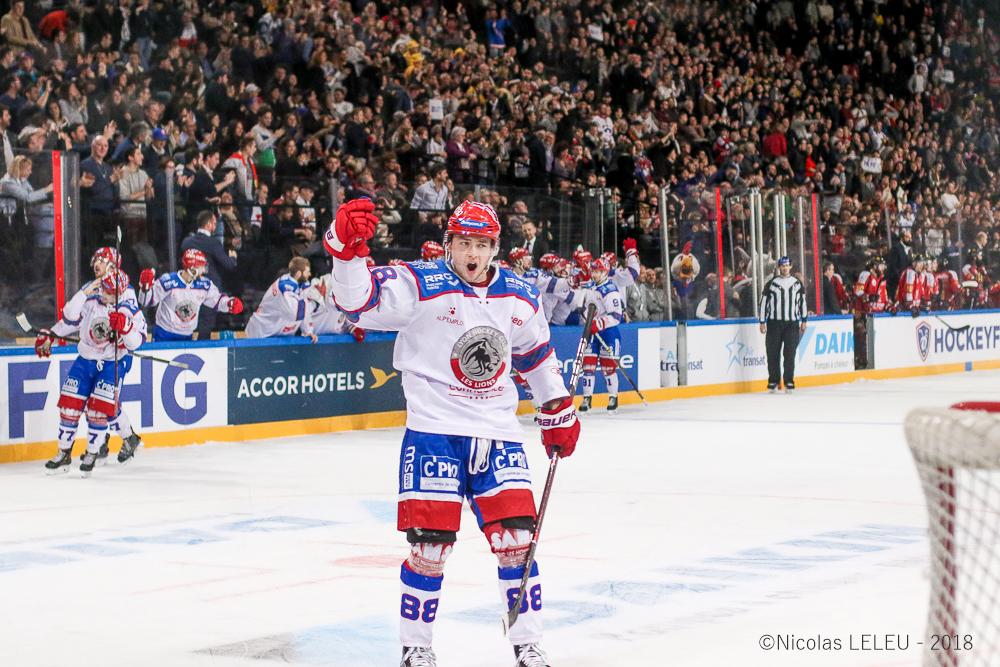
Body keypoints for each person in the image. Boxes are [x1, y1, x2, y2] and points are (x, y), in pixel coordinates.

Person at [324, 198, 580, 667]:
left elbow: (537, 355)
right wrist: (346, 253)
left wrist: (556, 406)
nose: (472, 254)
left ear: (495, 248)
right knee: (430, 547)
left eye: (481, 244)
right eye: (464, 243)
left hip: (498, 433)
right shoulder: (420, 283)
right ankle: (416, 646)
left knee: (516, 543)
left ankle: (527, 643)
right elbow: (356, 302)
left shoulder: (519, 295)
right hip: (434, 432)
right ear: (448, 244)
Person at [34, 269, 146, 475]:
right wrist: (51, 334)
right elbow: (69, 317)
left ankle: (94, 451)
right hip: (85, 360)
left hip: (111, 363)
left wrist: (126, 328)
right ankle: (64, 452)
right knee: (69, 407)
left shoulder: (129, 309)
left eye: (109, 291)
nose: (103, 292)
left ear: (119, 293)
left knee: (100, 409)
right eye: (103, 288)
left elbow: (137, 342)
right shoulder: (91, 300)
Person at [137, 249, 244, 341]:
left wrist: (229, 304)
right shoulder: (168, 281)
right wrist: (145, 288)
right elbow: (146, 301)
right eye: (201, 267)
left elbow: (217, 300)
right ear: (192, 269)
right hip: (164, 334)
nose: (204, 270)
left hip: (187, 336)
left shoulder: (204, 284)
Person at [578, 256, 624, 413]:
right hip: (591, 332)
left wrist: (598, 324)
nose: (595, 274)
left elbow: (617, 316)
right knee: (588, 365)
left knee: (608, 367)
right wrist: (585, 315)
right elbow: (587, 308)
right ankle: (587, 398)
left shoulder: (610, 290)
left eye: (598, 271)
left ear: (605, 272)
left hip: (608, 332)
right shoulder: (591, 287)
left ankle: (613, 397)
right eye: (594, 271)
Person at [759, 256, 807, 393]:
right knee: (772, 353)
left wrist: (804, 320)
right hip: (774, 323)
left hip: (792, 324)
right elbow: (763, 303)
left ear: (790, 266)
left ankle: (789, 381)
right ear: (779, 267)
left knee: (790, 354)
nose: (785, 268)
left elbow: (802, 303)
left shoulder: (797, 284)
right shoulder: (772, 283)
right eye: (782, 266)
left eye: (787, 265)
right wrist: (762, 321)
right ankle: (773, 381)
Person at [245, 256, 317, 342]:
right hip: (262, 332)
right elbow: (296, 313)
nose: (310, 274)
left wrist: (308, 331)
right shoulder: (284, 287)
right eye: (307, 272)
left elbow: (303, 309)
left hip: (278, 333)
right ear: (298, 274)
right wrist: (314, 303)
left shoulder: (300, 283)